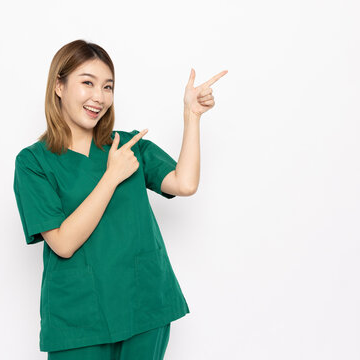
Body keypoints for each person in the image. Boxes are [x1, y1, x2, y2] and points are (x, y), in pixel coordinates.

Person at [12, 39, 227, 359]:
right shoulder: (34, 162)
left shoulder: (130, 146)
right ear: (59, 85)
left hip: (145, 307)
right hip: (78, 320)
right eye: (88, 83)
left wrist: (192, 115)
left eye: (108, 86)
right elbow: (63, 243)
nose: (99, 97)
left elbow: (185, 183)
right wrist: (111, 176)